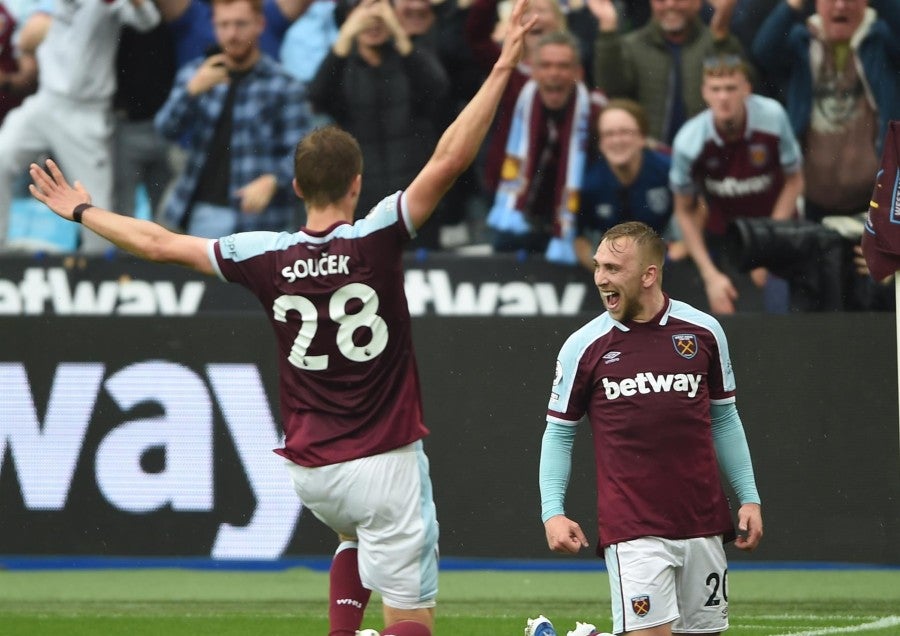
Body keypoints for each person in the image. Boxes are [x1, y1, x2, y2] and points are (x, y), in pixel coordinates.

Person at [28, 1, 537, 634]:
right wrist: (504, 66)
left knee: (354, 538)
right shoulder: (377, 234)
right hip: (383, 461)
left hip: (311, 471)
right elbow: (448, 160)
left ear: (295, 188)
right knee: (413, 616)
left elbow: (160, 243)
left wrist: (82, 212)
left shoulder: (261, 253)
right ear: (356, 184)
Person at [536, 221, 763, 635]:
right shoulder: (583, 347)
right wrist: (553, 511)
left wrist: (748, 496)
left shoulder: (704, 332)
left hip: (703, 523)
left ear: (648, 275)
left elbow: (725, 418)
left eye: (613, 268)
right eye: (598, 266)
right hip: (633, 527)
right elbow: (559, 432)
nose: (601, 278)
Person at [0, 0, 160, 253]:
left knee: (97, 214)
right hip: (45, 99)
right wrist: (29, 37)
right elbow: (26, 40)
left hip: (86, 112)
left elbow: (147, 20)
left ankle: (96, 279)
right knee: (1, 155)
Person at [154, 0, 313, 238]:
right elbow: (164, 129)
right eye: (224, 25)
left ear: (260, 24)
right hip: (201, 213)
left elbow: (303, 151)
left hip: (263, 221)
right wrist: (190, 92)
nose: (232, 34)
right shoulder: (196, 74)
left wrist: (273, 180)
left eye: (240, 24)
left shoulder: (284, 84)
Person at [670, 54, 803, 314]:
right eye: (715, 89)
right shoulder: (688, 142)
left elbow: (794, 180)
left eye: (731, 88)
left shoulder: (773, 117)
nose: (723, 97)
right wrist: (710, 275)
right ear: (704, 93)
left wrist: (766, 245)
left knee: (784, 313)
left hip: (780, 229)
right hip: (727, 239)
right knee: (728, 314)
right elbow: (684, 210)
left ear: (747, 89)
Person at [752, 0, 900, 223]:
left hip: (875, 197)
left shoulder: (882, 40)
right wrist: (793, 4)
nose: (840, 6)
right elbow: (763, 50)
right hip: (813, 199)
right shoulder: (801, 41)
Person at [308, 0, 450, 222]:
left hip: (413, 196)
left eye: (380, 8)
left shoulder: (410, 55)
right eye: (362, 9)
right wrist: (344, 38)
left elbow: (437, 88)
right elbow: (317, 97)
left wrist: (399, 34)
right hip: (361, 198)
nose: (373, 19)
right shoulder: (342, 65)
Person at [486, 30, 604, 264]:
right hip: (511, 215)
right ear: (533, 69)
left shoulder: (595, 112)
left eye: (563, 66)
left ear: (578, 72)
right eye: (546, 65)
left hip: (568, 227)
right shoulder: (514, 97)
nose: (554, 73)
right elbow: (477, 40)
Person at [592, 0, 748, 146]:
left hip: (707, 152)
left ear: (698, 3)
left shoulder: (716, 42)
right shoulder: (632, 45)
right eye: (661, 0)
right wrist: (607, 29)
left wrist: (721, 35)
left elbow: (740, 85)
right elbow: (612, 90)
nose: (670, 4)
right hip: (651, 152)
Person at [575, 98, 681, 272]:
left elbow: (692, 217)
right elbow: (580, 241)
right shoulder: (590, 185)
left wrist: (671, 258)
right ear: (600, 143)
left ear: (642, 137)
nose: (617, 141)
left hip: (665, 266)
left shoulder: (668, 171)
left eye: (625, 132)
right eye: (609, 134)